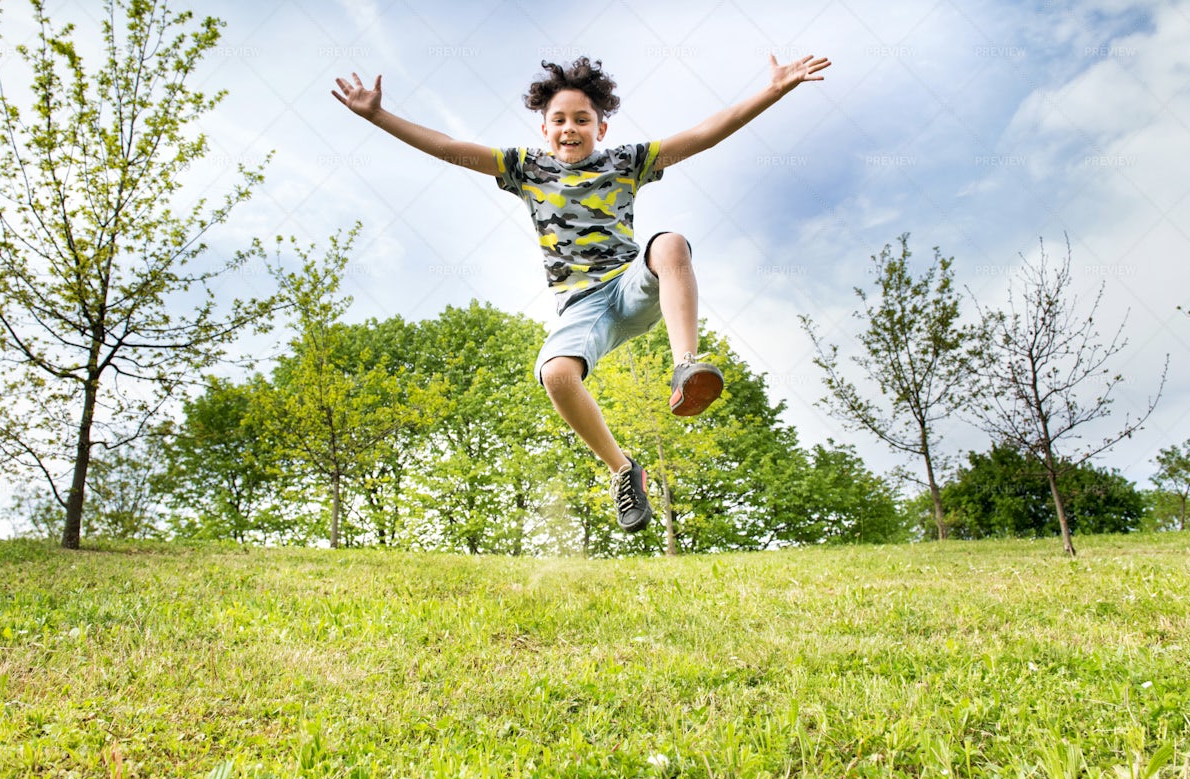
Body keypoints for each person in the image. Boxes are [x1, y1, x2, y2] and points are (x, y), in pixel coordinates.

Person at [332, 52, 830, 533]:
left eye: (582, 119)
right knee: (556, 374)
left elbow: (704, 134)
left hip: (633, 281)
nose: (570, 128)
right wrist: (379, 117)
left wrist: (773, 90)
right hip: (582, 306)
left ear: (601, 128)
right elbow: (447, 146)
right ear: (544, 128)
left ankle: (686, 365)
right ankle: (622, 470)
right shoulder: (525, 168)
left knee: (671, 243)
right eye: (560, 120)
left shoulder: (627, 161)